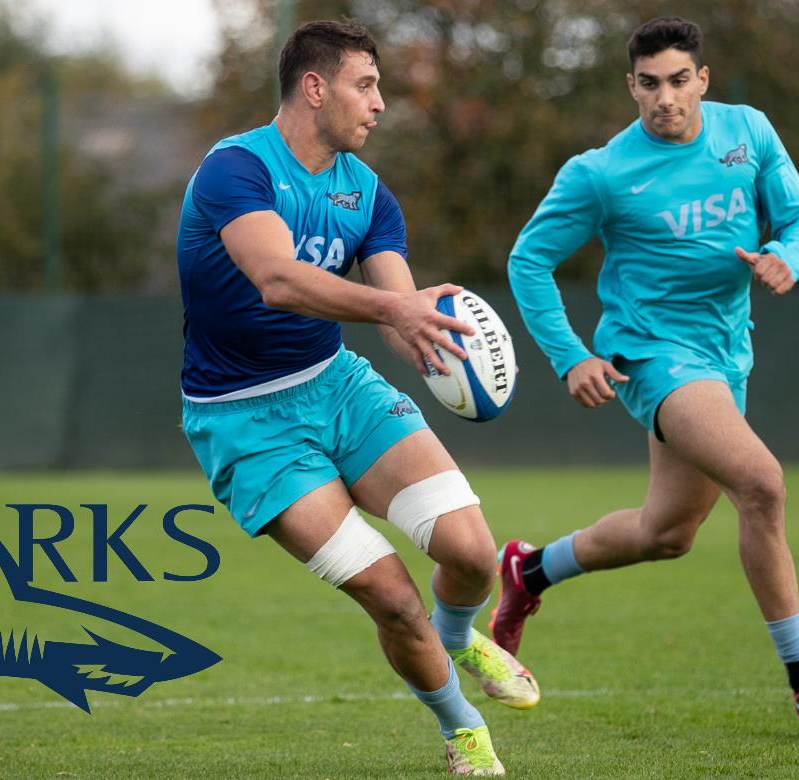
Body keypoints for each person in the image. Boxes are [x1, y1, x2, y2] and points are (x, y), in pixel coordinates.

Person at [176, 20, 536, 776]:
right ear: (315, 87)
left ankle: (463, 634)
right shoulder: (234, 170)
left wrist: (429, 334)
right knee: (392, 596)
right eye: (365, 85)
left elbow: (398, 305)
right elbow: (276, 278)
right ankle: (462, 728)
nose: (379, 104)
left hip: (336, 386)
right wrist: (393, 312)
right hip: (245, 424)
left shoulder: (367, 193)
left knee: (470, 553)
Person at [495, 16, 799, 727]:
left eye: (678, 80)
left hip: (727, 351)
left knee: (667, 533)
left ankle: (529, 570)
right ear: (630, 87)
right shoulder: (600, 173)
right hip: (654, 354)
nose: (665, 97)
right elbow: (527, 261)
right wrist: (571, 356)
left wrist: (792, 255)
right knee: (761, 485)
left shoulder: (747, 133)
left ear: (702, 80)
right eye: (649, 84)